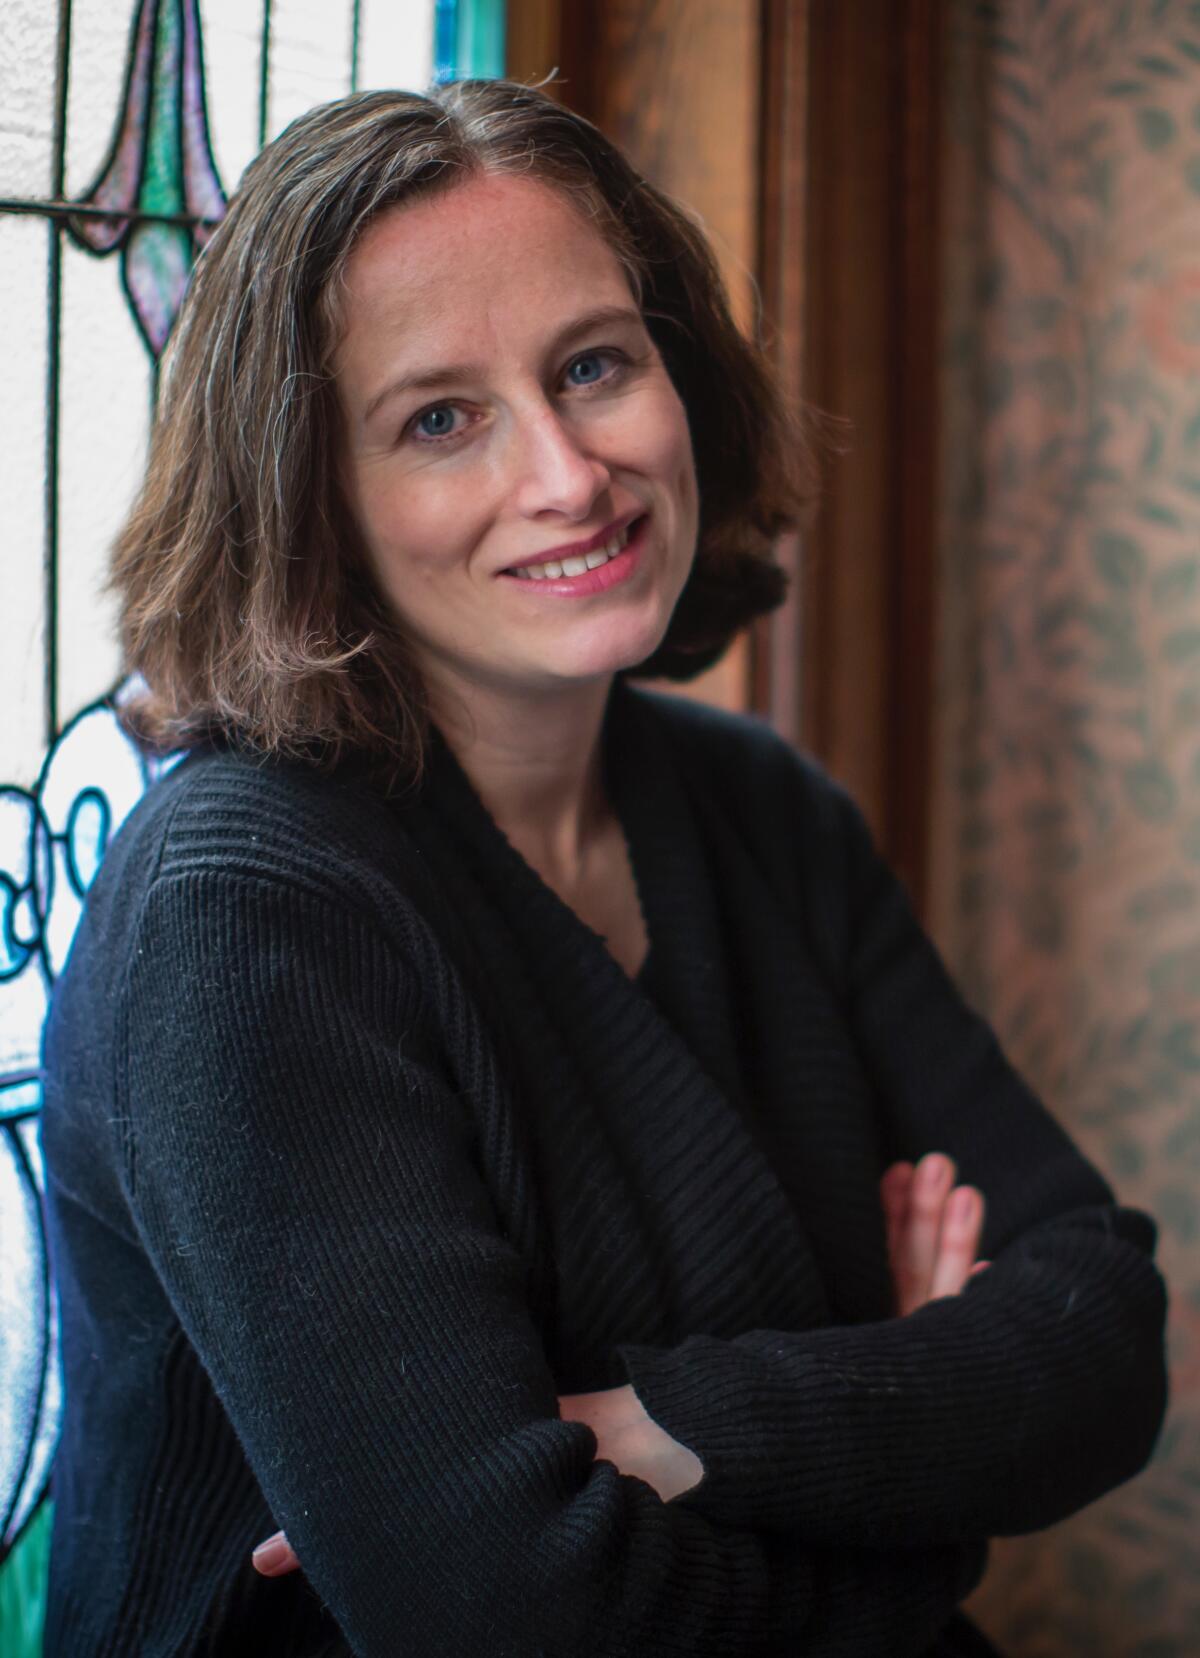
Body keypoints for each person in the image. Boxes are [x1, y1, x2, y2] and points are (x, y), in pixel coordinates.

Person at [38, 78, 1168, 1658]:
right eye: (440, 418)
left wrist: (683, 1422)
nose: (568, 475)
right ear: (313, 501)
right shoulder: (247, 909)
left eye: (592, 366)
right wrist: (920, 1485)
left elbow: (1103, 1338)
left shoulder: (766, 812)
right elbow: (513, 1614)